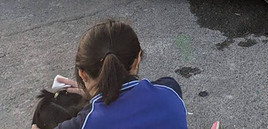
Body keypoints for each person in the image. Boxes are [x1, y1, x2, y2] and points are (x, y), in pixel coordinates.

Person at [32, 20, 187, 129]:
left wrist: (90, 96)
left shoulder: (85, 122)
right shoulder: (170, 91)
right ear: (138, 58)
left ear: (82, 74)